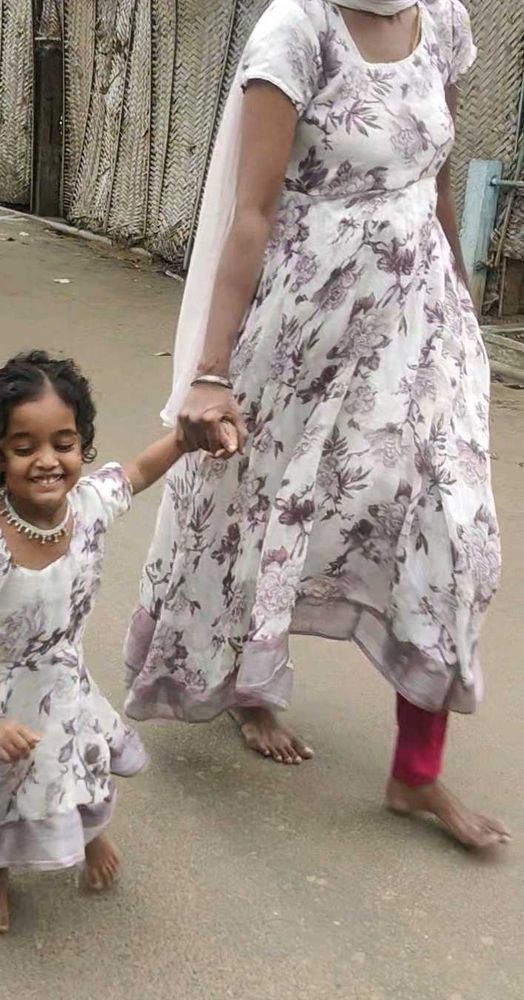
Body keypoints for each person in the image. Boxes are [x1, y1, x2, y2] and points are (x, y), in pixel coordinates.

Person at [124, 0, 511, 848]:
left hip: (422, 330)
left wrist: (463, 305)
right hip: (305, 328)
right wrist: (212, 374)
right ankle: (252, 685)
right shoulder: (297, 30)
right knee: (262, 507)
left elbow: (438, 176)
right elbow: (250, 215)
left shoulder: (443, 18)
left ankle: (417, 775)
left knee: (455, 530)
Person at [0, 351, 216, 935]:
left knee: (70, 765)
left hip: (60, 681)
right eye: (23, 447)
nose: (47, 461)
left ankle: (85, 835)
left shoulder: (87, 506)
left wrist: (185, 439)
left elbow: (136, 471)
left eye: (63, 443)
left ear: (82, 445)